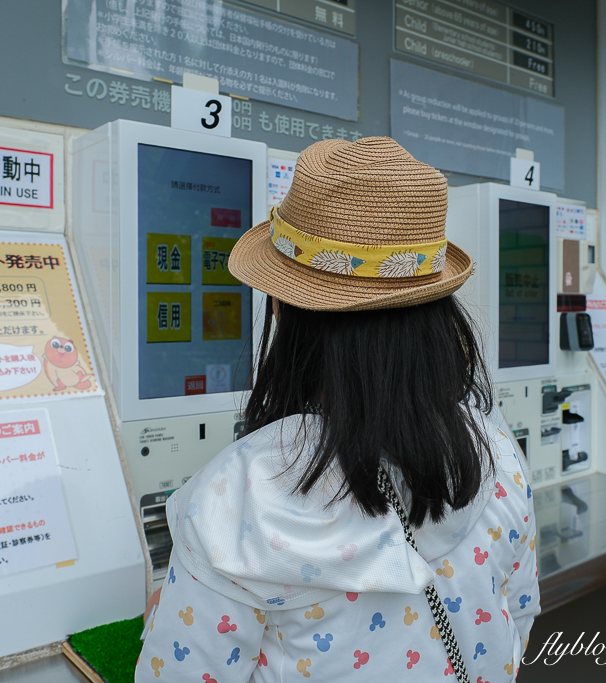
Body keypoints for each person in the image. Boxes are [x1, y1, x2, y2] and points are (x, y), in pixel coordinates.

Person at [135, 137, 539, 682]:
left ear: (282, 308)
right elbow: (517, 620)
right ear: (437, 312)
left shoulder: (239, 499)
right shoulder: (495, 452)